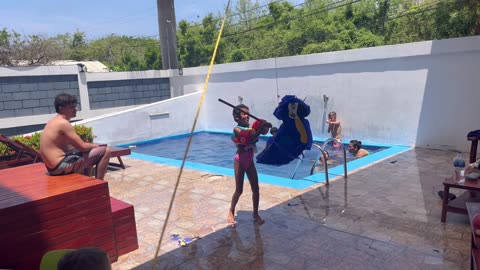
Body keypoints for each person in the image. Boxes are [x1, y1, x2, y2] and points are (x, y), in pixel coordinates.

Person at [39, 93, 111, 180]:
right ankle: (100, 185)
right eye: (71, 107)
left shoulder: (53, 121)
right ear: (61, 108)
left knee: (86, 153)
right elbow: (83, 147)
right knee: (106, 151)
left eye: (75, 106)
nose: (76, 109)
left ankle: (89, 184)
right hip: (60, 166)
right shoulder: (63, 123)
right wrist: (96, 146)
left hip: (52, 167)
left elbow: (71, 146)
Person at [227, 104, 271, 226]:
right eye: (243, 113)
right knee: (239, 190)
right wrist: (259, 127)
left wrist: (265, 125)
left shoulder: (252, 128)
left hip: (249, 161)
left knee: (256, 188)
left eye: (248, 113)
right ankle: (231, 210)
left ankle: (255, 214)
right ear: (236, 118)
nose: (247, 116)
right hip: (240, 160)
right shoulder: (237, 129)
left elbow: (264, 132)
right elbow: (249, 138)